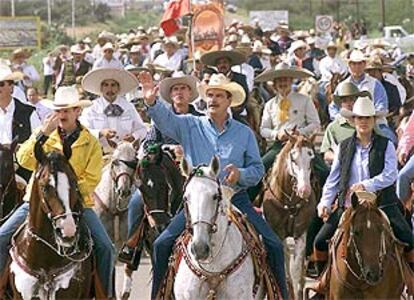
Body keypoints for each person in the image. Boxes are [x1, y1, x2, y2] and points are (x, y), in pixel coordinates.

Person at [139, 72, 289, 300]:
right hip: (197, 203)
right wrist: (151, 101)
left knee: (274, 245)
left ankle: (281, 296)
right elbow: (165, 121)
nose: (212, 100)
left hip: (235, 199)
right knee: (162, 244)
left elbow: (258, 171)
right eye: (209, 95)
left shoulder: (244, 133)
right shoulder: (190, 124)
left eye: (219, 95)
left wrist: (241, 174)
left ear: (229, 101)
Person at [0, 86, 115, 297]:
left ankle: (106, 294)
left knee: (106, 247)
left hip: (77, 205)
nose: (62, 115)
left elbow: (92, 178)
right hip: (34, 203)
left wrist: (65, 193)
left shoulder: (90, 142)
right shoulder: (44, 135)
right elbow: (24, 159)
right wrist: (42, 134)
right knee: (1, 237)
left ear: (77, 112)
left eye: (68, 110)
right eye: (59, 110)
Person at [314, 96, 414, 278]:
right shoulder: (343, 147)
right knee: (320, 241)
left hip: (382, 204)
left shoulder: (386, 145)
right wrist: (325, 202)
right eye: (360, 118)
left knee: (408, 238)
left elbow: (391, 174)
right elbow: (334, 178)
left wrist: (367, 185)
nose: (364, 122)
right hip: (348, 205)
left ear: (374, 120)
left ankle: (410, 282)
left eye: (368, 118)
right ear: (353, 120)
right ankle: (323, 285)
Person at [118, 72, 203, 267]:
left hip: (194, 174)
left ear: (190, 93)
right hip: (162, 176)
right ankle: (133, 245)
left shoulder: (200, 119)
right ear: (170, 95)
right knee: (137, 200)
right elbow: (147, 145)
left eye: (183, 88)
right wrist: (168, 149)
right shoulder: (161, 119)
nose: (179, 92)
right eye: (175, 89)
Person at [330, 50, 397, 144]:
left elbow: (382, 105)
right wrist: (341, 119)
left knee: (391, 140)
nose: (356, 67)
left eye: (359, 63)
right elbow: (333, 107)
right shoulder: (342, 85)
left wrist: (370, 118)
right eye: (353, 64)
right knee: (330, 141)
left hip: (374, 123)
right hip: (347, 124)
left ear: (364, 64)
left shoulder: (375, 84)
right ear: (349, 65)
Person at [80, 68, 147, 152]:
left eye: (113, 85)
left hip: (125, 154)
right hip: (98, 153)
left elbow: (142, 129)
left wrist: (134, 136)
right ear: (101, 88)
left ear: (118, 88)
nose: (109, 89)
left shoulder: (128, 107)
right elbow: (82, 130)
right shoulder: (91, 108)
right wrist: (101, 133)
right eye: (106, 85)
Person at [0, 64, 41, 182]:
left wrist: (22, 148)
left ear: (11, 87)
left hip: (22, 169)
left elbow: (39, 140)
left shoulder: (28, 112)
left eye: (1, 84)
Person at [320, 81, 370, 164]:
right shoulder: (333, 127)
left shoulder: (368, 122)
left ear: (358, 101)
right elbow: (326, 153)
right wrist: (340, 158)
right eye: (345, 101)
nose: (349, 104)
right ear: (340, 104)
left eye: (352, 100)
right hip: (342, 169)